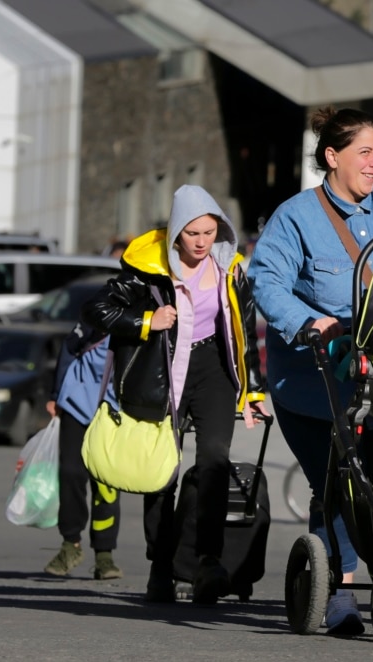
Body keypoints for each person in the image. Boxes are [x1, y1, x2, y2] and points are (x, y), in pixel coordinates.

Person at [247, 106, 373, 635]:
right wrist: (311, 323)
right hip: (312, 382)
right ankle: (340, 592)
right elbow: (268, 283)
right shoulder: (296, 216)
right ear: (333, 156)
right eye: (364, 153)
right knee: (336, 481)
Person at [83, 184, 268, 605]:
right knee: (162, 473)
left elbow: (242, 334)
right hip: (165, 374)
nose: (202, 242)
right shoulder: (147, 270)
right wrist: (148, 319)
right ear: (175, 234)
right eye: (192, 234)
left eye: (209, 232)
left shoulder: (231, 268)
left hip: (214, 371)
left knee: (215, 462)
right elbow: (96, 310)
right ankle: (160, 566)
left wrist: (252, 391)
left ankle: (208, 560)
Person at [42, 325, 121, 581]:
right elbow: (68, 350)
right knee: (71, 474)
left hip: (115, 410)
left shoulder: (145, 317)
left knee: (106, 485)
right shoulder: (93, 315)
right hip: (77, 403)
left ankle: (104, 555)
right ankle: (70, 544)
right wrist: (55, 394)